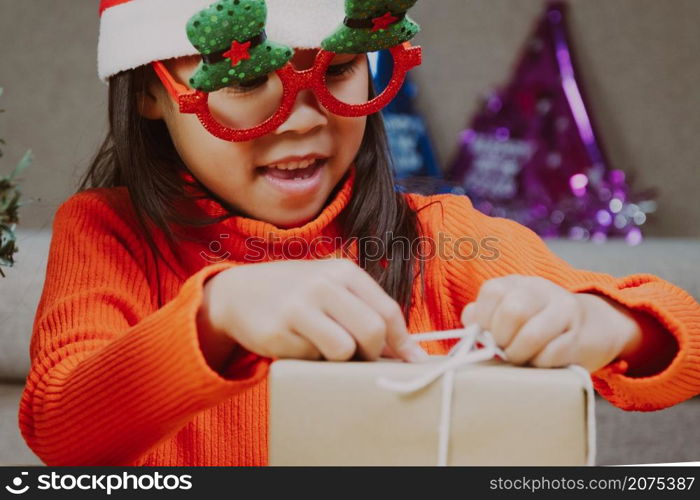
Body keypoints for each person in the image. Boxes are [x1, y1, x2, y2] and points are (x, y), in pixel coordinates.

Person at [19, 0, 699, 466]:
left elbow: (686, 340)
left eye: (338, 70)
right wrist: (216, 315)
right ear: (149, 90)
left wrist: (606, 323)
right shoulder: (109, 233)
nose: (303, 120)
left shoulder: (439, 237)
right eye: (249, 77)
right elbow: (60, 429)